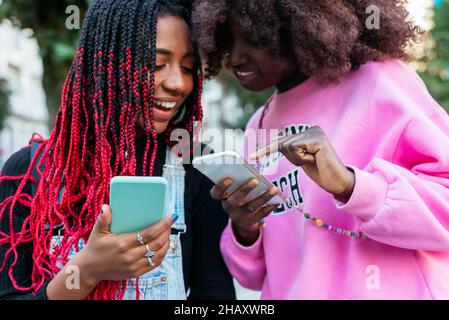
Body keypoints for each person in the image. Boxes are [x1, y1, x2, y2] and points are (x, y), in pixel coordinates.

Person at [192, 0, 449, 299]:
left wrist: (348, 184)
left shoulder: (380, 82)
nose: (235, 58)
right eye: (227, 40)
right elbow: (252, 277)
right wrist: (245, 229)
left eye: (255, 40)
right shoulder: (258, 125)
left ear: (299, 30)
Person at [0, 0, 235, 300]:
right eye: (156, 64)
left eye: (188, 67)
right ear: (104, 62)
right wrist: (88, 270)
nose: (178, 83)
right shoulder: (27, 173)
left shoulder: (197, 167)